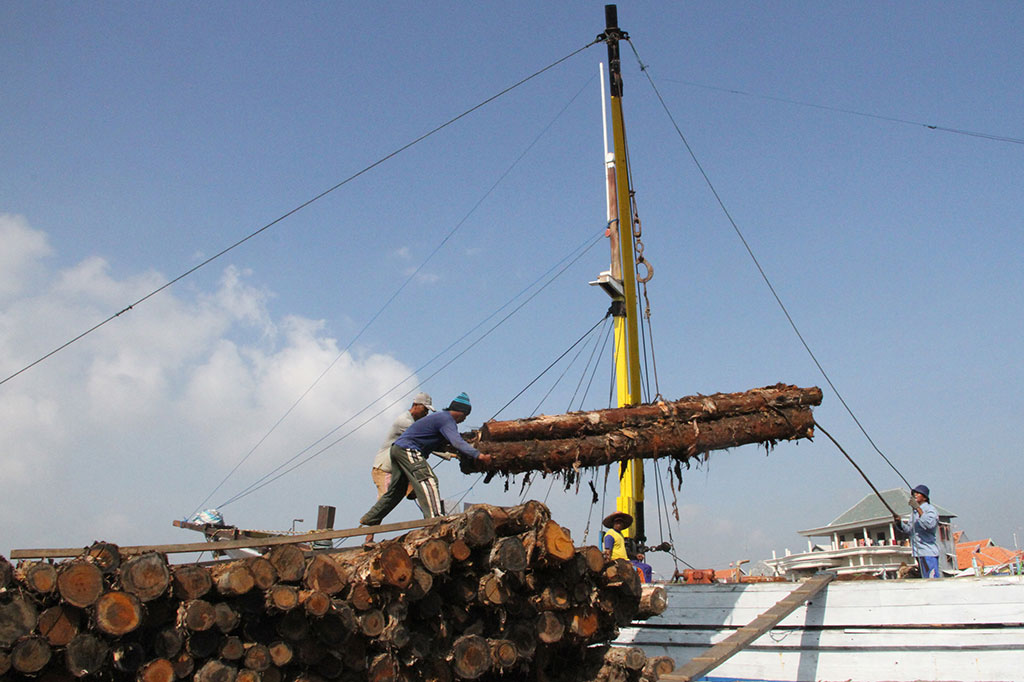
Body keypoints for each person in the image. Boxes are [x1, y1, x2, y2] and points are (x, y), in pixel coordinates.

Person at [359, 392, 491, 532]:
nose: (464, 419)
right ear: (460, 412)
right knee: (428, 480)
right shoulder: (447, 420)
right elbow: (457, 442)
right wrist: (479, 455)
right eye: (465, 416)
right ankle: (435, 518)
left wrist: (460, 453)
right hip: (408, 449)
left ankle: (371, 517)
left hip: (398, 449)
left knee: (397, 490)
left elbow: (445, 444)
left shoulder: (440, 418)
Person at [371, 392, 435, 498]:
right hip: (385, 469)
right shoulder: (405, 422)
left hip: (399, 468)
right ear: (416, 405)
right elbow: (422, 441)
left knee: (421, 488)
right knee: (385, 499)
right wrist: (447, 453)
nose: (426, 413)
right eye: (425, 409)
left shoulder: (414, 423)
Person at [893, 484, 940, 578]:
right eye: (914, 493)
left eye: (918, 493)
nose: (915, 495)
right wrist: (899, 522)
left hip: (928, 553)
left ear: (925, 497)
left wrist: (918, 508)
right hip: (919, 553)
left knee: (932, 579)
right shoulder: (914, 513)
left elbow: (930, 524)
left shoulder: (930, 509)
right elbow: (909, 530)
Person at [602, 511, 653, 583]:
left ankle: (648, 584)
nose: (619, 524)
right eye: (617, 522)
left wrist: (636, 555)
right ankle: (643, 587)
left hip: (626, 560)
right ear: (613, 523)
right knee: (642, 569)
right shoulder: (610, 535)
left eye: (621, 522)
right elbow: (608, 552)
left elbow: (623, 551)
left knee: (648, 567)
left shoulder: (620, 534)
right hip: (618, 561)